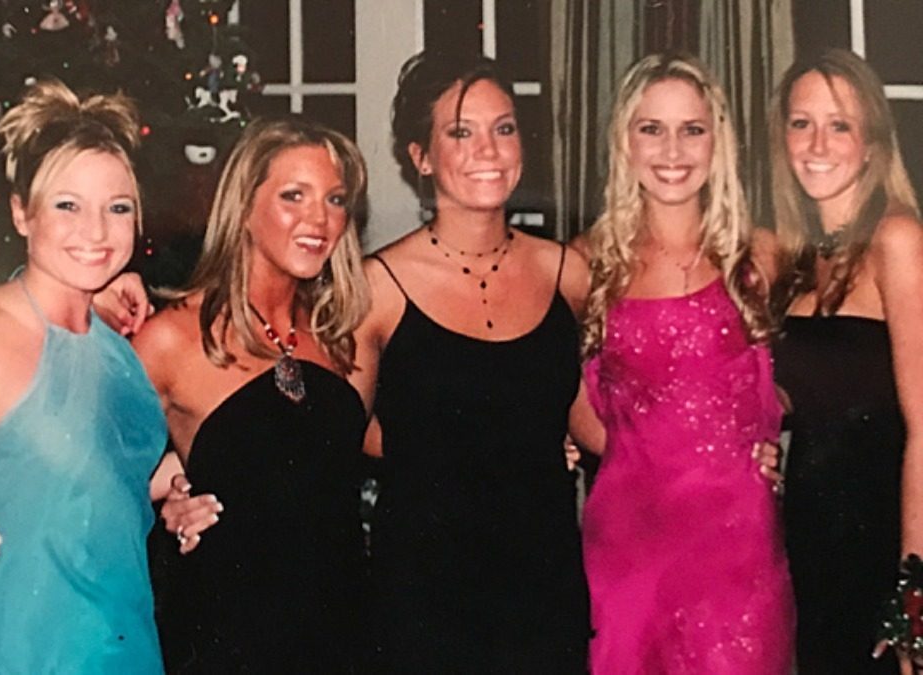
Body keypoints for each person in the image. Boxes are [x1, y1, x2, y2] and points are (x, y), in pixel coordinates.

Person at [0, 80, 191, 673]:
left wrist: (183, 488)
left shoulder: (121, 343)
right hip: (28, 651)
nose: (96, 232)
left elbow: (108, 483)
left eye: (117, 208)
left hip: (126, 643)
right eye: (67, 206)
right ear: (21, 213)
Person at [352, 51, 593, 671]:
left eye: (503, 128)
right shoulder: (377, 287)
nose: (488, 150)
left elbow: (602, 414)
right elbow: (341, 432)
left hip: (543, 594)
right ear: (421, 157)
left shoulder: (568, 273)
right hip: (423, 598)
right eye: (461, 132)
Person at [577, 53, 794, 673]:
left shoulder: (762, 256)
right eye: (652, 128)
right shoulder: (585, 263)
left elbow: (827, 370)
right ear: (625, 141)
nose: (672, 150)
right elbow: (564, 400)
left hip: (738, 552)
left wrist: (782, 438)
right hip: (628, 551)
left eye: (691, 129)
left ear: (717, 141)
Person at [133, 116, 372, 672]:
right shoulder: (172, 338)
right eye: (294, 195)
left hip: (344, 637)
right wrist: (167, 509)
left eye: (335, 199)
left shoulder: (338, 334)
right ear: (243, 206)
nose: (320, 219)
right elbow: (98, 483)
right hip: (229, 642)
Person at [769, 48, 923, 674]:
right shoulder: (797, 259)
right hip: (809, 546)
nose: (817, 145)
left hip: (884, 546)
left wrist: (914, 588)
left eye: (839, 125)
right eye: (801, 123)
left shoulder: (897, 238)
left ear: (871, 144)